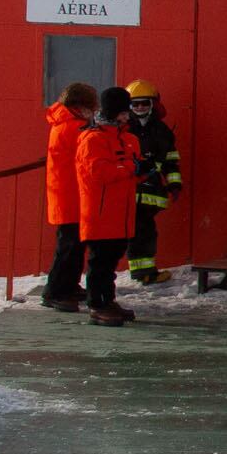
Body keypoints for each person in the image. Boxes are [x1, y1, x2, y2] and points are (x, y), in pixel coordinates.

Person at [76, 87, 143, 325]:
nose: (129, 115)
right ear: (116, 112)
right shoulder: (93, 139)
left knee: (111, 259)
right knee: (100, 262)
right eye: (125, 111)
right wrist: (130, 169)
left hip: (120, 213)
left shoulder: (128, 139)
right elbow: (98, 172)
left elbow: (131, 168)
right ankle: (98, 305)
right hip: (101, 213)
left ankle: (107, 299)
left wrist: (145, 172)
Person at [40, 81, 98, 310]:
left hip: (66, 195)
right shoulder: (73, 128)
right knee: (69, 246)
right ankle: (55, 291)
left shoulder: (64, 123)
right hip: (71, 196)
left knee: (72, 244)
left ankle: (68, 286)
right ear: (79, 106)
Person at [126, 79, 181, 284]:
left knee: (146, 230)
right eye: (135, 103)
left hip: (151, 189)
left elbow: (171, 159)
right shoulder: (123, 128)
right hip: (129, 188)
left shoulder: (161, 130)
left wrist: (174, 183)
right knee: (139, 230)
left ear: (153, 104)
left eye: (144, 103)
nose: (140, 107)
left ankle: (145, 270)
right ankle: (142, 272)